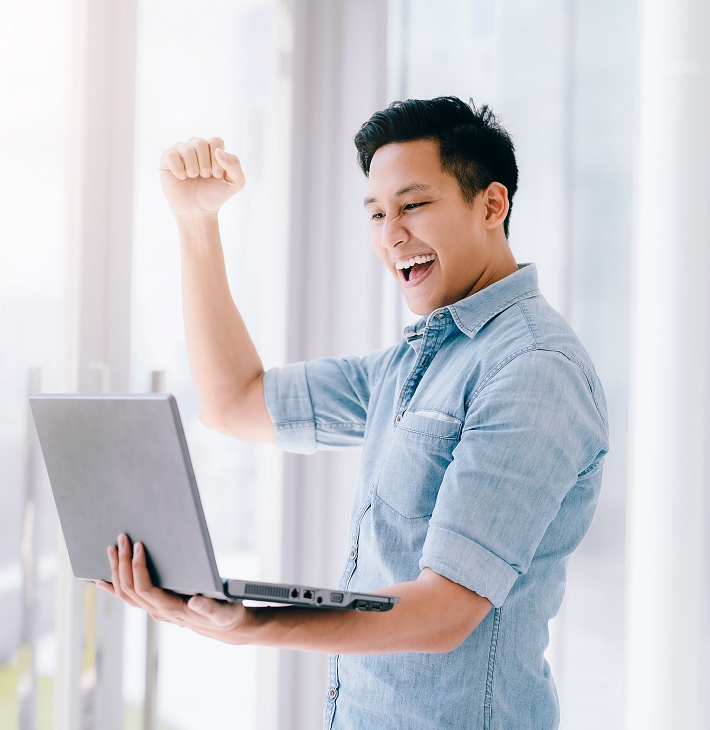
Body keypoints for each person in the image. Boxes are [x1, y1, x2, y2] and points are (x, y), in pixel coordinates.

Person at [96, 96, 609, 730]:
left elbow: (447, 609)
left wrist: (251, 623)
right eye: (376, 213)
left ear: (491, 205)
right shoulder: (410, 365)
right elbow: (236, 402)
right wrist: (196, 224)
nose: (392, 235)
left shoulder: (532, 371)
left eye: (413, 205)